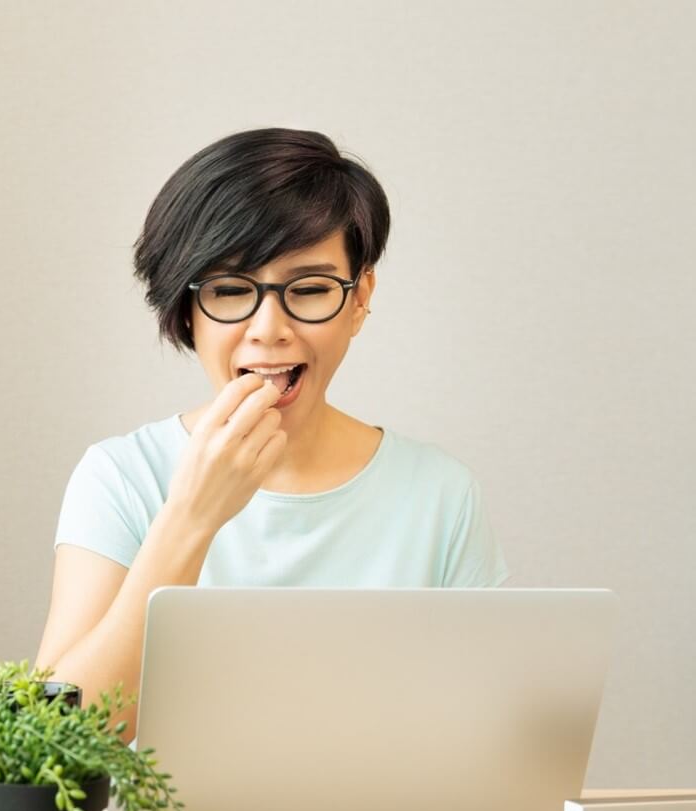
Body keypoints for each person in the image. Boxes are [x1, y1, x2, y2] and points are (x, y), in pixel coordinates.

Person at [35, 127, 509, 742]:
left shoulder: (441, 494)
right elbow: (52, 740)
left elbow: (485, 736)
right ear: (186, 309)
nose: (269, 328)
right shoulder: (121, 476)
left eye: (308, 290)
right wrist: (191, 519)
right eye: (230, 291)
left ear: (360, 297)